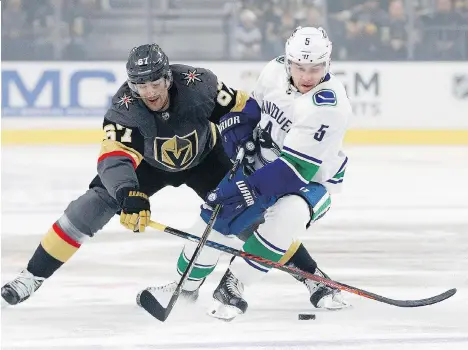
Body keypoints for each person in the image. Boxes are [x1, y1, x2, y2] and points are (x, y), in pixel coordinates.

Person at [2, 43, 342, 310]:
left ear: (168, 77)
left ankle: (314, 278)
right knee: (90, 206)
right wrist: (127, 193)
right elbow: (113, 158)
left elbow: (242, 107)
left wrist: (243, 130)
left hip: (207, 158)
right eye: (140, 85)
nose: (150, 92)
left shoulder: (199, 84)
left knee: (252, 217)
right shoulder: (124, 108)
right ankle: (31, 277)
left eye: (155, 82)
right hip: (148, 167)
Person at [139, 27, 351, 322]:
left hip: (309, 182)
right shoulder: (275, 70)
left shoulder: (328, 107)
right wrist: (238, 126)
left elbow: (296, 170)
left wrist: (246, 188)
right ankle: (184, 288)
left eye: (315, 68)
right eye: (300, 67)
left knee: (287, 215)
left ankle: (234, 282)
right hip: (262, 164)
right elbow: (255, 108)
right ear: (288, 61)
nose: (306, 76)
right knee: (214, 219)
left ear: (328, 64)